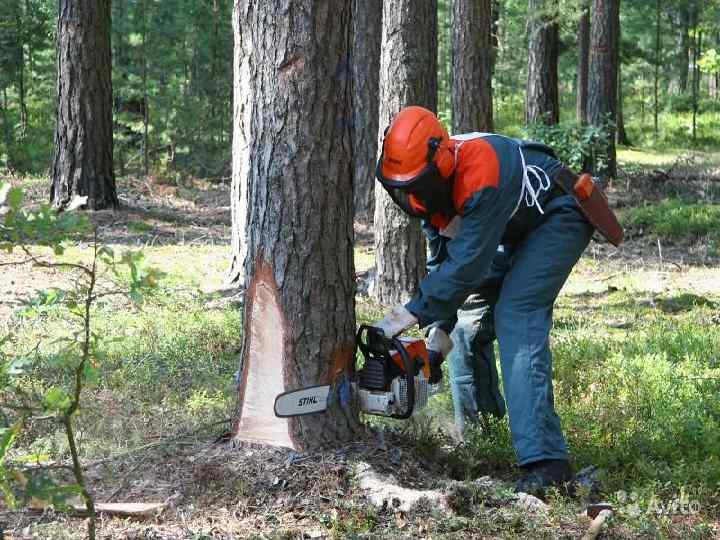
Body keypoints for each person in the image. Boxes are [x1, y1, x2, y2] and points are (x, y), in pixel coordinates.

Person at [372, 105, 595, 495]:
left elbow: (468, 266)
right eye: (400, 187)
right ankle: (482, 437)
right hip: (507, 228)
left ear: (438, 165)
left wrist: (406, 314)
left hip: (557, 214)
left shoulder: (481, 171)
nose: (408, 195)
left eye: (415, 185)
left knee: (517, 311)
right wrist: (437, 331)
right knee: (468, 325)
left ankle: (547, 462)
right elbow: (444, 256)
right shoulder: (422, 190)